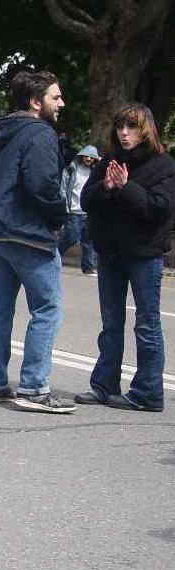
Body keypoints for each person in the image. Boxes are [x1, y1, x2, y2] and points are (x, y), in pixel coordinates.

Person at [0, 70, 75, 412]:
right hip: (30, 234)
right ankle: (33, 388)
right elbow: (43, 184)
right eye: (55, 97)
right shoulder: (40, 134)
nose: (61, 103)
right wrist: (60, 215)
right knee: (47, 308)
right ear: (35, 102)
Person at [76, 103, 173, 412]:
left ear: (145, 130)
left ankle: (147, 392)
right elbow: (87, 200)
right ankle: (104, 385)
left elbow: (158, 210)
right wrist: (106, 186)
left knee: (146, 324)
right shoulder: (109, 160)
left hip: (144, 254)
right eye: (120, 127)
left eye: (131, 127)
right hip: (111, 252)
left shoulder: (163, 164)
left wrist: (126, 187)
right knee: (111, 323)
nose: (125, 133)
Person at [61, 145, 100, 275]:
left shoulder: (96, 172)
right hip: (73, 210)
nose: (88, 159)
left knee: (89, 241)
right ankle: (55, 255)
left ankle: (88, 267)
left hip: (88, 212)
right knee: (72, 236)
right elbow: (63, 188)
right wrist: (65, 206)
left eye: (91, 157)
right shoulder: (71, 170)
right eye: (86, 156)